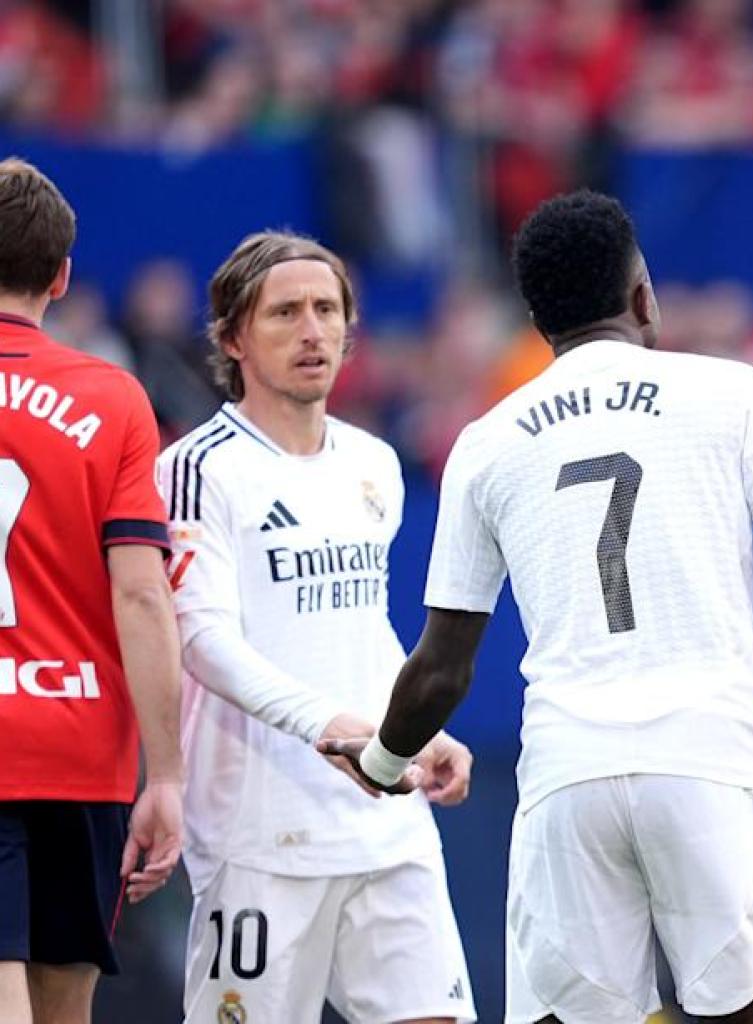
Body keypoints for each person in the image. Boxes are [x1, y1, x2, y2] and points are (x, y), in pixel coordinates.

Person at [320, 189, 753, 1024]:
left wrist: (385, 764)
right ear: (643, 297)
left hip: (568, 776)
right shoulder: (731, 394)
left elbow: (441, 665)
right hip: (709, 762)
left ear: (538, 321)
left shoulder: (486, 442)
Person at [158, 230, 476, 1024]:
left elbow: (362, 626)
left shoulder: (372, 462)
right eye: (286, 313)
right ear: (233, 338)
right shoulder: (197, 470)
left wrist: (413, 728)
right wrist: (327, 725)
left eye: (328, 310)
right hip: (262, 838)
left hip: (384, 820)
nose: (313, 331)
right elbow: (202, 642)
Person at [0, 158, 183, 1024]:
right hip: (80, 752)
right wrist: (168, 776)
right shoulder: (113, 398)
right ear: (63, 276)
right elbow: (144, 597)